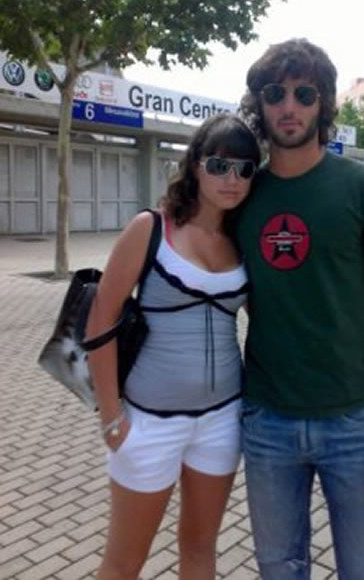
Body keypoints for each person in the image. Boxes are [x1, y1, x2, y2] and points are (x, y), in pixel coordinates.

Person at [237, 38, 364, 580]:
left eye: (305, 94)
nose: (289, 106)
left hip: (354, 419)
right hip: (266, 420)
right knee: (279, 566)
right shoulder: (240, 197)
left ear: (324, 104)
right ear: (259, 103)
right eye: (275, 93)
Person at [86, 113, 261, 580]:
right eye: (220, 164)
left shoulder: (242, 241)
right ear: (195, 165)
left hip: (222, 419)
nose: (232, 179)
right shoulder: (151, 229)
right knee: (124, 562)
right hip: (148, 422)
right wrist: (110, 417)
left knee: (201, 550)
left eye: (245, 169)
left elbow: (270, 320)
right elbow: (100, 321)